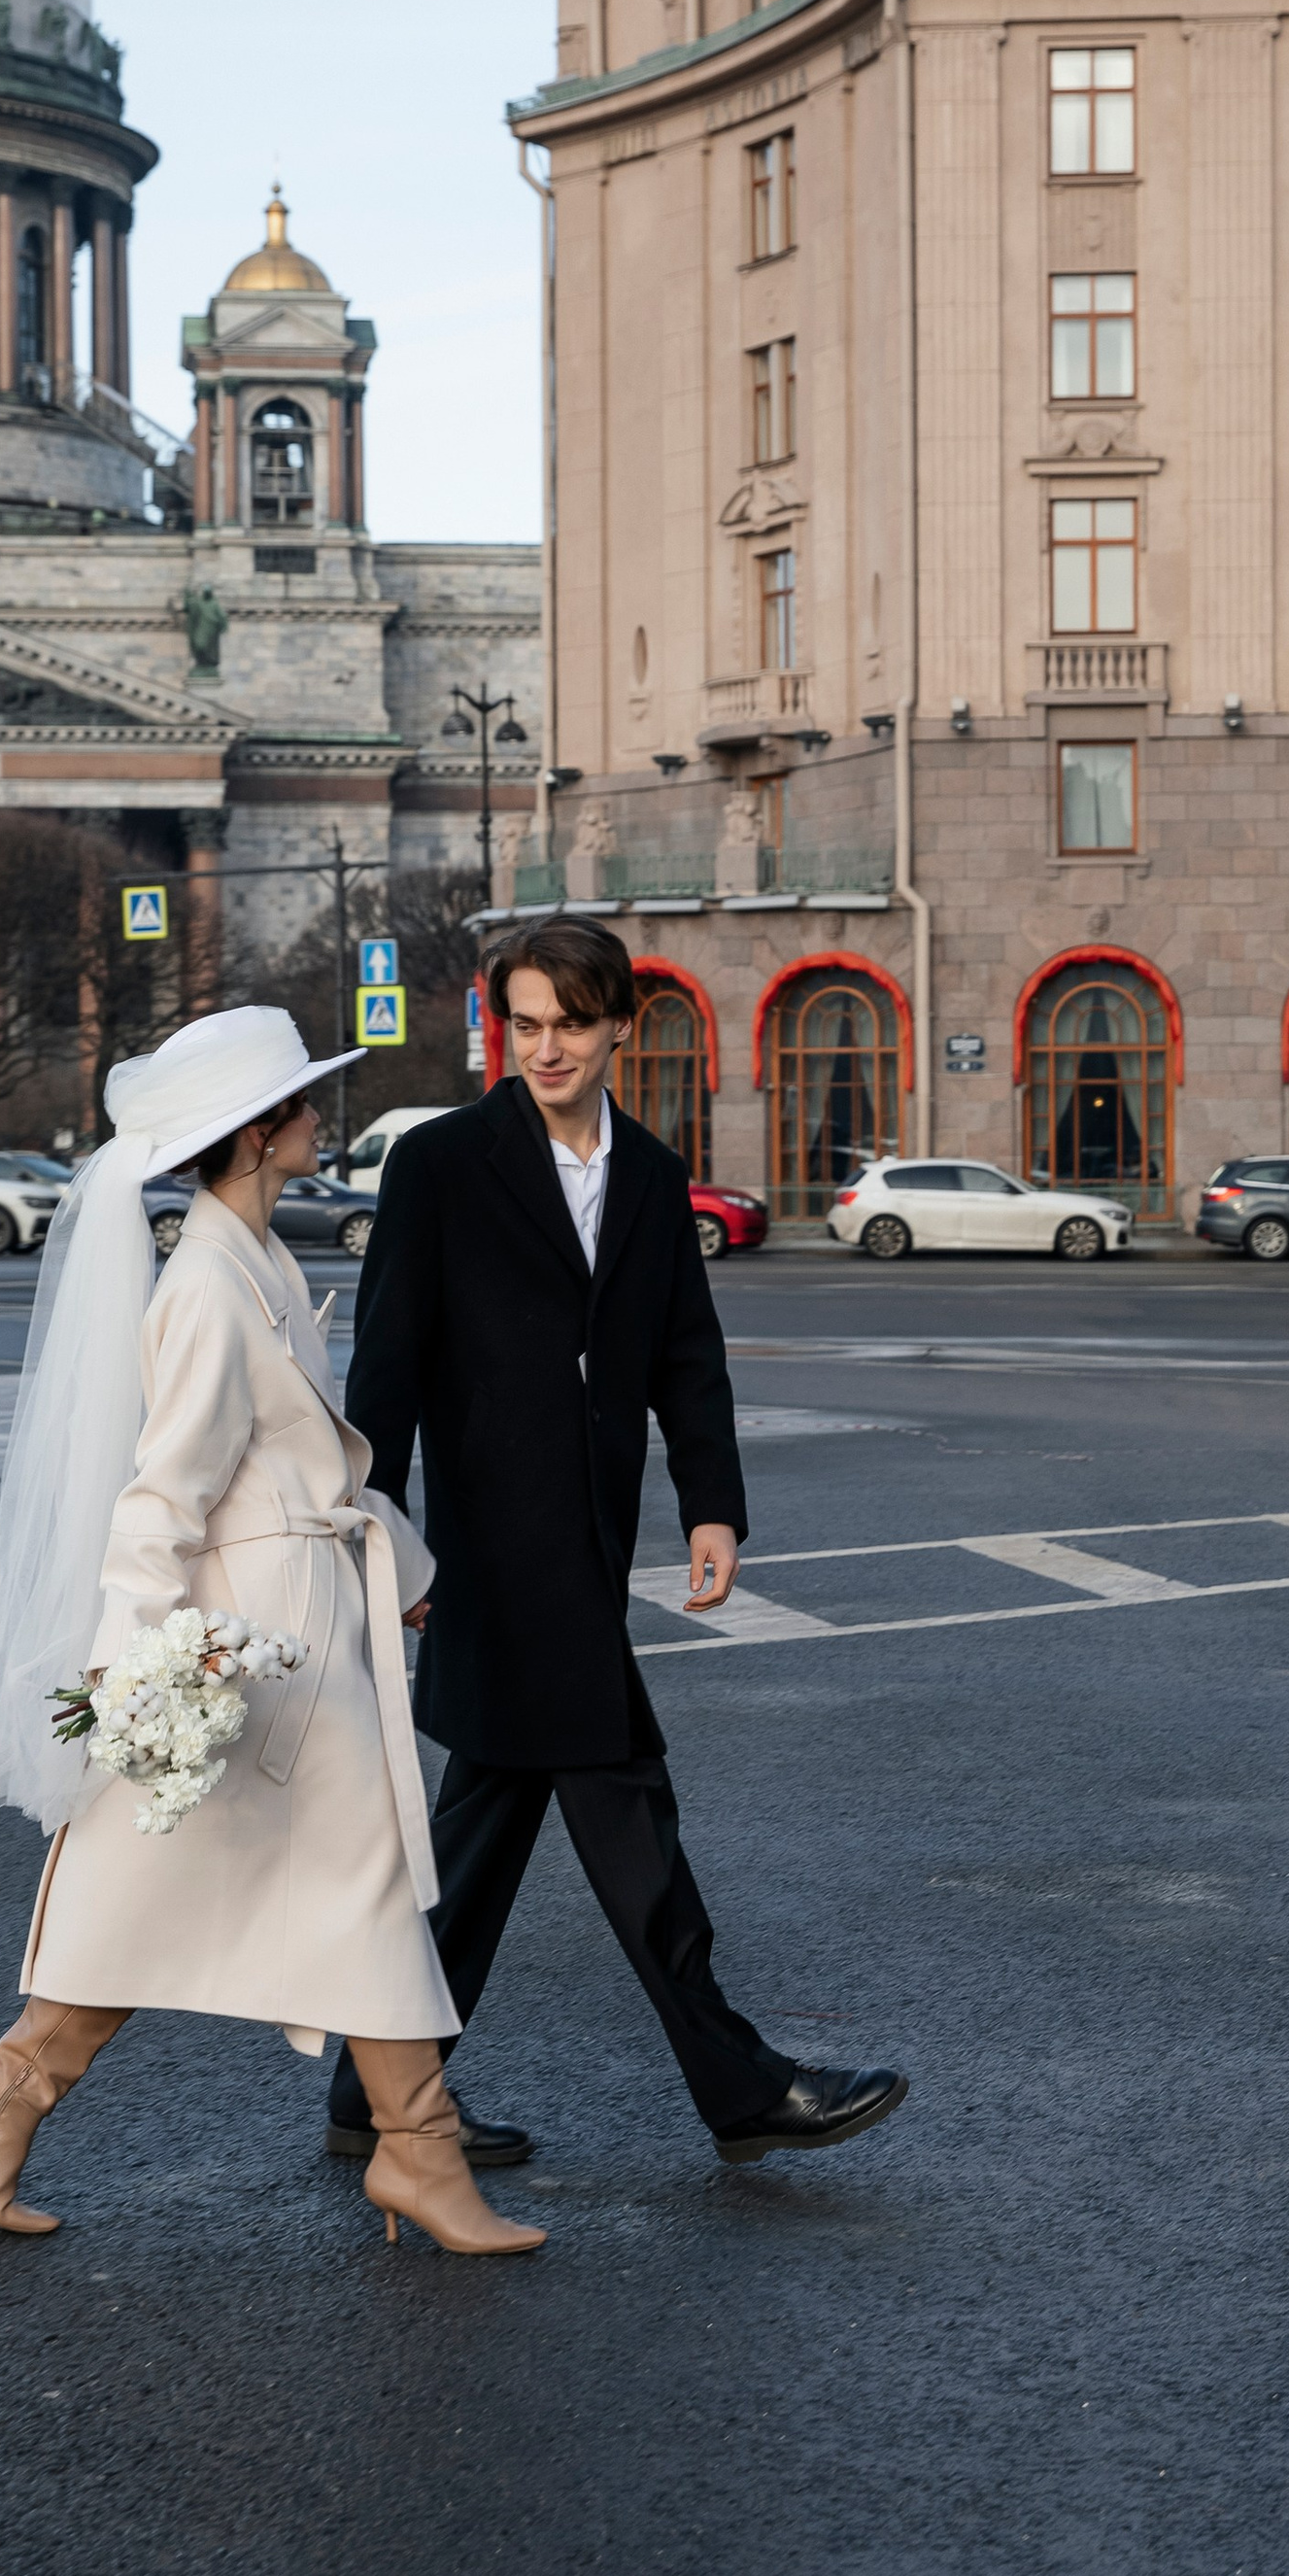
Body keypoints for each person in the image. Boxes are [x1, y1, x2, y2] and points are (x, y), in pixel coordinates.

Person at [0, 1007, 543, 2259]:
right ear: (259, 1135)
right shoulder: (207, 1282)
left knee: (238, 1885)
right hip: (256, 1644)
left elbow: (311, 1472)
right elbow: (163, 1496)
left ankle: (10, 2095)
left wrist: (403, 1572)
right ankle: (413, 2151)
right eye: (301, 1103)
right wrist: (132, 1671)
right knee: (297, 1883)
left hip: (299, 1628)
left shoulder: (252, 1258)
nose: (318, 1117)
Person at [324, 915, 907, 2169]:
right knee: (624, 1797)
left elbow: (685, 1354)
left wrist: (712, 1505)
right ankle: (741, 2088)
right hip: (490, 1554)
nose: (545, 1049)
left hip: (588, 1536)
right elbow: (386, 1368)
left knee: (486, 1827)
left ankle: (375, 2093)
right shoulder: (439, 1162)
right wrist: (382, 1533)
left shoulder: (648, 1170)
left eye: (570, 1025)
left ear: (619, 1030)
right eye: (525, 1024)